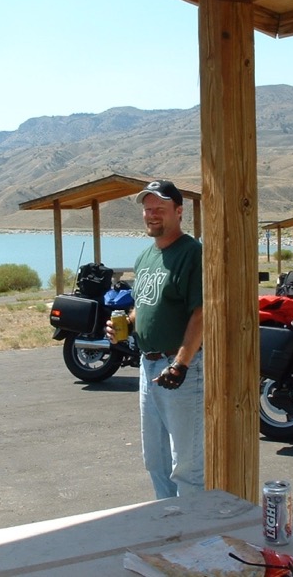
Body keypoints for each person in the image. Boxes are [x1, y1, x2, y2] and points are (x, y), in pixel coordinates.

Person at [106, 180, 204, 499]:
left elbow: (201, 313)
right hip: (149, 369)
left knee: (188, 466)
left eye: (159, 208)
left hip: (181, 370)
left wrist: (182, 363)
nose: (152, 215)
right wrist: (125, 324)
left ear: (179, 211)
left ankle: (194, 537)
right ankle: (168, 528)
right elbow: (143, 305)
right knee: (156, 460)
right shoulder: (145, 258)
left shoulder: (192, 253)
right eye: (148, 209)